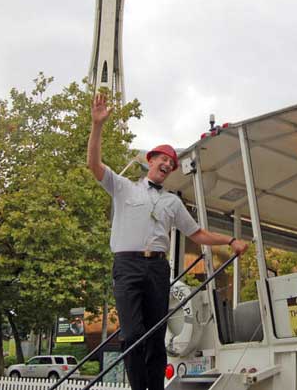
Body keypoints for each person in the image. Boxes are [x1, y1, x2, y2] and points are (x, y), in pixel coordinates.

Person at [87, 93, 248, 390]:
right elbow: (94, 165)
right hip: (127, 266)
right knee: (133, 334)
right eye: (163, 158)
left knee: (156, 338)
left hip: (157, 270)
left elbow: (197, 234)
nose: (167, 163)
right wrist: (97, 125)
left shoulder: (172, 203)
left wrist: (231, 238)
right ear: (150, 160)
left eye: (172, 163)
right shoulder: (124, 188)